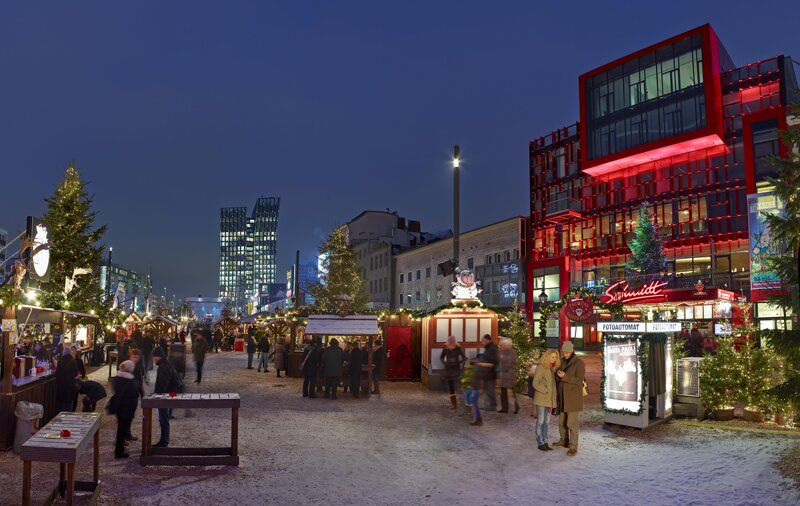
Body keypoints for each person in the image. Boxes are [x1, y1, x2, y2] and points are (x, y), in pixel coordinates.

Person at [554, 341, 585, 457]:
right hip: (562, 396)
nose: (565, 354)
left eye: (567, 352)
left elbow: (579, 380)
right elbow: (557, 378)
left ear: (572, 351)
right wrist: (557, 375)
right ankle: (563, 440)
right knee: (562, 421)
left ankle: (573, 446)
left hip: (573, 398)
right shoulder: (561, 361)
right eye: (564, 352)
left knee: (572, 423)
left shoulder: (579, 363)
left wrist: (565, 377)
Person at [152, 347, 181, 448]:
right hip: (168, 395)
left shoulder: (163, 367)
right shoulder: (165, 364)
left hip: (165, 397)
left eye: (154, 356)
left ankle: (164, 442)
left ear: (157, 356)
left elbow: (163, 384)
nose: (153, 359)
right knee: (164, 419)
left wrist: (158, 395)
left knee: (163, 419)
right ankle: (163, 441)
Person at [111, 360, 140, 459]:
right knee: (123, 429)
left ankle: (119, 449)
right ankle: (119, 452)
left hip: (119, 407)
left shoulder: (116, 378)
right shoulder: (130, 381)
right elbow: (135, 394)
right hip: (127, 408)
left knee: (120, 428)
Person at [532, 349, 560, 451]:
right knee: (540, 421)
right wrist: (546, 390)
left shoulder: (552, 368)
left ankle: (545, 441)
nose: (554, 359)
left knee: (546, 422)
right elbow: (535, 383)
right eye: (552, 357)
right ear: (547, 356)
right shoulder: (541, 367)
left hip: (549, 401)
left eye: (555, 357)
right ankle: (540, 442)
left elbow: (553, 385)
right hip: (541, 399)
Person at [463, 353, 492, 426]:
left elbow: (478, 379)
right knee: (474, 404)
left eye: (477, 359)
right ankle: (477, 419)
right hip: (475, 387)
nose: (475, 360)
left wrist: (476, 389)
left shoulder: (480, 368)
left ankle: (478, 420)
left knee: (475, 405)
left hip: (476, 388)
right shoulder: (478, 367)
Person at [440, 336, 466, 409]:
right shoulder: (445, 348)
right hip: (448, 369)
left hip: (456, 369)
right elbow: (441, 357)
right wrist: (444, 363)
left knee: (458, 386)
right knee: (451, 387)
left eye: (453, 342)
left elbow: (464, 357)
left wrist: (459, 362)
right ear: (448, 342)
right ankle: (454, 404)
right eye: (450, 342)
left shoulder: (458, 348)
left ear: (455, 342)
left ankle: (464, 401)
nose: (452, 344)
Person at [497, 337, 519, 414]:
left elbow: (510, 363)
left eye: (504, 345)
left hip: (510, 374)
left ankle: (516, 407)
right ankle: (505, 408)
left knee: (512, 392)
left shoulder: (512, 352)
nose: (502, 346)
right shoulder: (500, 351)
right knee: (503, 392)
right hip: (503, 375)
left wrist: (503, 371)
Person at [55, 348, 78, 413]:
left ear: (63, 353)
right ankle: (68, 419)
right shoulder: (73, 361)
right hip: (70, 386)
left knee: (62, 406)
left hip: (61, 387)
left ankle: (61, 419)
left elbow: (57, 374)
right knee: (69, 405)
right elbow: (76, 373)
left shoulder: (60, 361)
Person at [480, 334, 498, 411]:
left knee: (490, 390)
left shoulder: (492, 349)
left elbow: (493, 362)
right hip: (486, 373)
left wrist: (482, 364)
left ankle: (493, 406)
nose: (482, 342)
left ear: (488, 340)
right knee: (486, 390)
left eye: (483, 340)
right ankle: (488, 405)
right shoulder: (488, 348)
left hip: (491, 374)